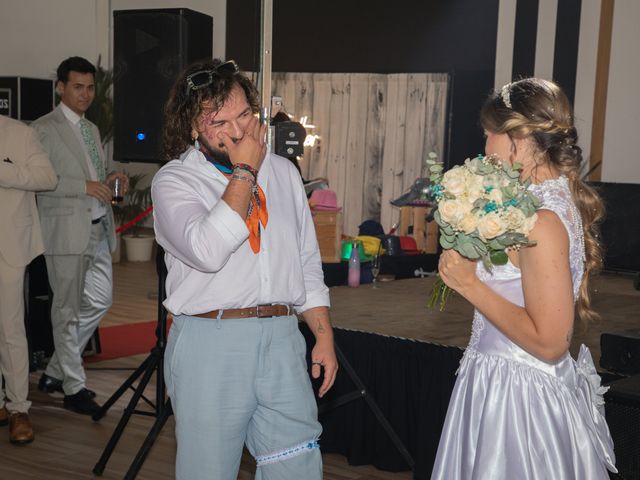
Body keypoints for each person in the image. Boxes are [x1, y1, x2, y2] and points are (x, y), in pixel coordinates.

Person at [153, 58, 338, 479]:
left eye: (244, 116)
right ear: (192, 127)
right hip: (210, 341)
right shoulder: (175, 181)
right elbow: (208, 250)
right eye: (219, 122)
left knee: (297, 469)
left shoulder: (284, 172)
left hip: (282, 338)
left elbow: (306, 262)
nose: (237, 131)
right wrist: (245, 171)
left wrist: (323, 336)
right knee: (209, 471)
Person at [431, 78, 617, 479]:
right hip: (495, 382)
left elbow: (550, 344)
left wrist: (469, 284)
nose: (484, 147)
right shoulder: (534, 204)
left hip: (519, 402)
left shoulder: (543, 221)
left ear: (520, 137)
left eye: (489, 134)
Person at [32, 56, 127, 416]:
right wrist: (83, 186)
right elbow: (39, 183)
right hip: (66, 232)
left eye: (89, 87)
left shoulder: (90, 129)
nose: (85, 94)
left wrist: (111, 178)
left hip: (98, 229)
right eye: (77, 86)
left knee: (99, 301)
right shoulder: (43, 128)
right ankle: (73, 386)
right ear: (61, 87)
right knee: (66, 310)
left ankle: (56, 370)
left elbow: (93, 175)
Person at [0, 115, 57, 444]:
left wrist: (4, 171)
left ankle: (19, 407)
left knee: (10, 329)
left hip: (9, 245)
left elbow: (47, 178)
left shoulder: (20, 133)